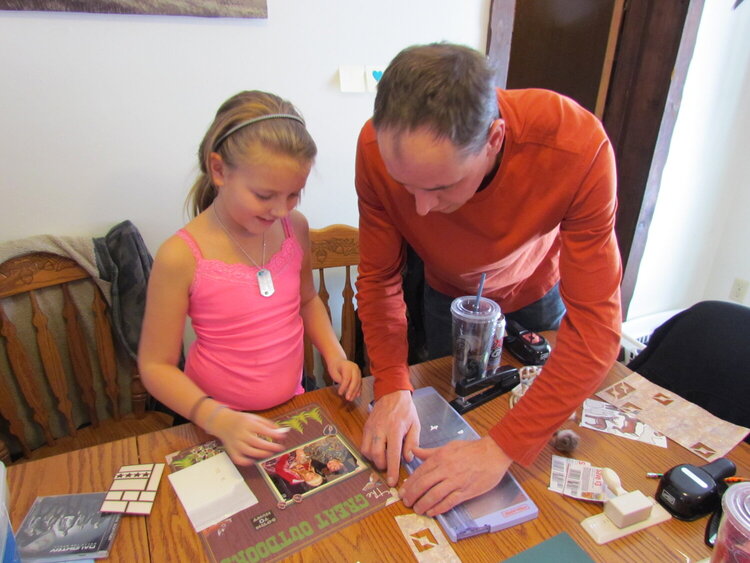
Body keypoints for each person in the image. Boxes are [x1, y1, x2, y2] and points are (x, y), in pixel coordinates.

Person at [355, 43, 622, 516]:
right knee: (447, 404)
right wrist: (393, 386)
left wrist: (501, 448)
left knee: (530, 423)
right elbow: (379, 279)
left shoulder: (577, 146)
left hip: (535, 292)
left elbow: (597, 330)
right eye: (406, 186)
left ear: (495, 139)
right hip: (447, 294)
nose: (420, 210)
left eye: (439, 187)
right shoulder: (374, 149)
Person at [138, 90, 362, 466]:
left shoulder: (295, 228)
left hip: (292, 405)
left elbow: (307, 301)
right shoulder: (180, 255)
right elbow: (155, 365)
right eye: (264, 195)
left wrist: (335, 353)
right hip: (214, 419)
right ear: (220, 170)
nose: (279, 210)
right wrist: (215, 417)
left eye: (294, 195)